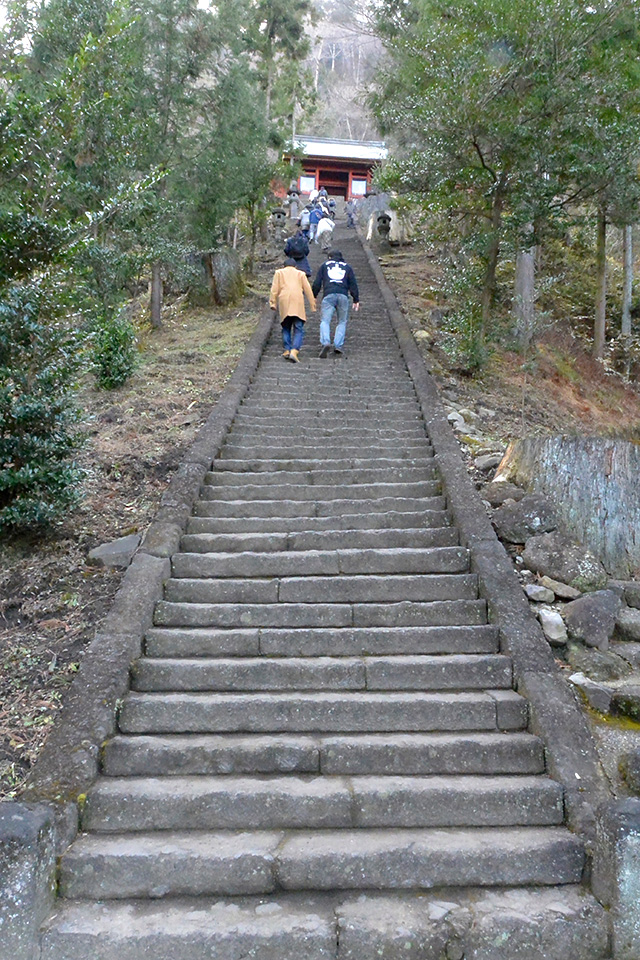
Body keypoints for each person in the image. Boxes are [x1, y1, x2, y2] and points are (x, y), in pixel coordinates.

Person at [312, 249, 360, 358]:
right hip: (343, 295)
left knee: (325, 320)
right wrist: (356, 299)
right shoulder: (347, 267)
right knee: (342, 321)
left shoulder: (325, 265)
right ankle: (338, 344)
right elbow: (353, 284)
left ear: (329, 257)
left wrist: (314, 296)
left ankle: (325, 342)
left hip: (328, 295)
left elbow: (317, 282)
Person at [270, 257, 316, 363]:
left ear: (284, 266)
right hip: (297, 301)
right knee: (298, 327)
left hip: (284, 300)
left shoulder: (279, 273)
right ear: (295, 266)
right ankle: (295, 350)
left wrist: (273, 302)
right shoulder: (300, 274)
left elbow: (274, 289)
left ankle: (287, 349)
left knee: (285, 326)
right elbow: (308, 289)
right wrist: (312, 304)